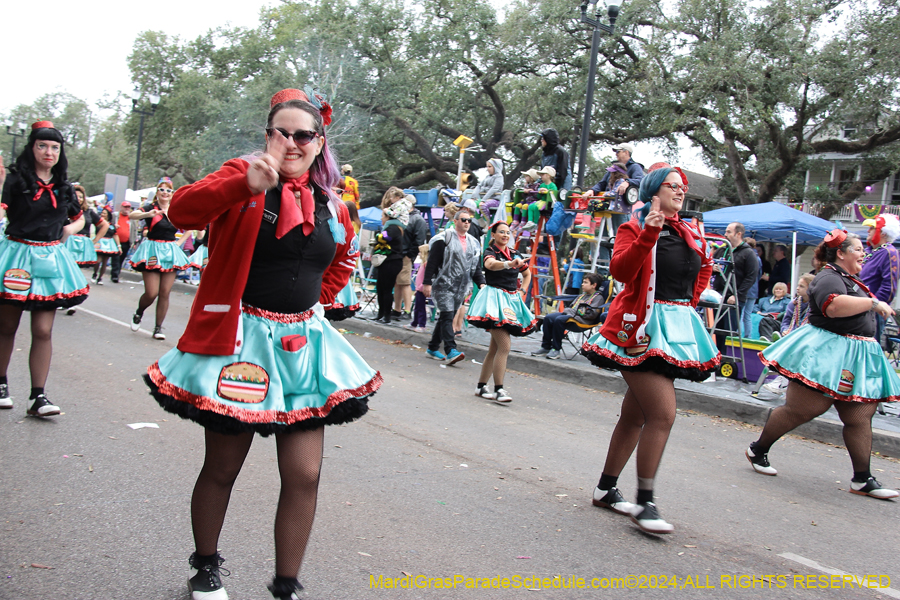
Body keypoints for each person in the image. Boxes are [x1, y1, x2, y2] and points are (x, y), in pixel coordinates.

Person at [144, 87, 381, 600]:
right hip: (240, 344)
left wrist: (308, 305)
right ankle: (205, 568)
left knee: (305, 474)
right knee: (224, 467)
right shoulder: (242, 177)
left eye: (304, 135)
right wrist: (240, 184)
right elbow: (181, 212)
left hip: (302, 345)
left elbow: (340, 261)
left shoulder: (334, 207)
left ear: (320, 142)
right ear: (267, 136)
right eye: (282, 133)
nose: (292, 143)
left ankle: (287, 583)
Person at [581, 167, 718, 534]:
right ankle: (645, 502)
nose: (681, 191)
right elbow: (622, 272)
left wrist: (687, 305)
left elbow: (702, 272)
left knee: (635, 415)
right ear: (655, 191)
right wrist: (650, 232)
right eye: (674, 186)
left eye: (683, 187)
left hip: (675, 329)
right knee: (663, 414)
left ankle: (605, 488)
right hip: (638, 329)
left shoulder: (689, 231)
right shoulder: (634, 227)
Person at [749, 230, 900, 500]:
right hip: (827, 355)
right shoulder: (828, 277)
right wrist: (873, 302)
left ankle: (862, 479)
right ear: (841, 253)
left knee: (859, 416)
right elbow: (833, 307)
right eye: (857, 249)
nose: (863, 253)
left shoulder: (850, 279)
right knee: (802, 410)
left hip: (855, 356)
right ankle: (758, 449)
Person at [0, 121, 88, 416]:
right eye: (42, 146)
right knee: (7, 325)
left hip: (49, 259)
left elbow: (81, 218)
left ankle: (38, 397)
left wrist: (69, 229)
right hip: (17, 257)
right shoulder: (14, 180)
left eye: (54, 147)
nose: (48, 152)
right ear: (32, 147)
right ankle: (1, 384)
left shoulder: (64, 186)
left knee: (43, 330)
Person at [466, 221, 535, 402]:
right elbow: (490, 266)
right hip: (494, 301)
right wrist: (509, 264)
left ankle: (481, 387)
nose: (505, 235)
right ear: (494, 235)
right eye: (501, 232)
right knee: (504, 346)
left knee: (495, 348)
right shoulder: (491, 252)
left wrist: (523, 291)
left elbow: (527, 274)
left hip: (510, 301)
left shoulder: (515, 254)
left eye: (507, 233)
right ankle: (499, 389)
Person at [128, 177, 192, 340]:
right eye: (162, 189)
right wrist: (148, 214)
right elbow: (133, 215)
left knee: (165, 292)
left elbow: (190, 227)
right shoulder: (151, 208)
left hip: (170, 251)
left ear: (172, 194)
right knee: (151, 292)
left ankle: (158, 328)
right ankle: (139, 312)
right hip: (152, 250)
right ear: (157, 192)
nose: (165, 192)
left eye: (169, 190)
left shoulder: (175, 210)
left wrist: (179, 243)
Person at [422, 206, 485, 364]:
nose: (466, 223)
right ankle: (451, 350)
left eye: (469, 220)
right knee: (448, 315)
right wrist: (427, 283)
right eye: (463, 219)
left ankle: (432, 347)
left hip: (460, 287)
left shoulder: (473, 243)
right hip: (443, 284)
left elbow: (475, 266)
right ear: (455, 221)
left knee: (445, 315)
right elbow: (432, 262)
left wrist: (482, 284)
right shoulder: (444, 238)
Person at [760, 273, 814, 395]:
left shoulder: (815, 306)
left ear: (810, 289)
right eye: (798, 285)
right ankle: (773, 340)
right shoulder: (793, 303)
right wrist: (785, 330)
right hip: (792, 333)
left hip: (806, 338)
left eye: (801, 286)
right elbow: (786, 321)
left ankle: (780, 381)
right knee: (768, 324)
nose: (797, 288)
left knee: (792, 349)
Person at [533, 273, 606, 359]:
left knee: (559, 319)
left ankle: (556, 349)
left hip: (581, 320)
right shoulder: (582, 295)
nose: (582, 284)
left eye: (585, 282)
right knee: (548, 318)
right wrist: (571, 311)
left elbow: (592, 315)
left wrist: (575, 312)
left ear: (594, 285)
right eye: (583, 282)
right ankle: (545, 347)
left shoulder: (598, 298)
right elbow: (572, 307)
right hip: (570, 315)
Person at [712, 221, 758, 348]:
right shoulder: (722, 250)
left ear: (738, 234)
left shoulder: (748, 254)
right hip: (717, 295)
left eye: (728, 232)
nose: (725, 234)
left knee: (728, 333)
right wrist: (713, 268)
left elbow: (751, 277)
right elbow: (708, 267)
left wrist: (737, 295)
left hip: (733, 298)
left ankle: (726, 361)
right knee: (715, 330)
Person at [860, 214, 900, 344]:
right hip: (859, 307)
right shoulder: (870, 251)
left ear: (882, 232)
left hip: (873, 311)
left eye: (871, 227)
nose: (868, 231)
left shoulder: (889, 252)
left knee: (869, 350)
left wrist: (875, 305)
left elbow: (889, 287)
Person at [585, 143, 644, 230]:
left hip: (622, 207)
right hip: (608, 206)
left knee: (621, 232)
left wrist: (627, 182)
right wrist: (592, 190)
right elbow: (602, 183)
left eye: (618, 151)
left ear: (626, 152)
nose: (616, 154)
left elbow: (641, 180)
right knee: (605, 235)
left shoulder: (635, 167)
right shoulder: (614, 168)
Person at [393, 195, 428, 319]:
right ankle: (397, 309)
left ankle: (407, 310)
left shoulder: (417, 219)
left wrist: (410, 255)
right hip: (398, 253)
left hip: (406, 254)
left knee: (405, 282)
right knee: (398, 282)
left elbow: (419, 239)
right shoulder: (405, 216)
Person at [372, 202, 406, 324]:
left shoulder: (392, 228)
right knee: (380, 288)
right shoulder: (392, 227)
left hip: (391, 261)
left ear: (388, 217)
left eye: (383, 216)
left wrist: (377, 236)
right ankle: (380, 314)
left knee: (386, 289)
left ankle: (386, 316)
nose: (381, 218)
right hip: (386, 262)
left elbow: (384, 237)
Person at [65, 184, 107, 267]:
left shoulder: (89, 212)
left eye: (81, 197)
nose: (79, 199)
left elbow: (105, 225)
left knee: (78, 270)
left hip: (82, 245)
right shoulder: (64, 210)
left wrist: (94, 241)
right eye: (76, 196)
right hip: (67, 243)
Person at [521, 166, 557, 232]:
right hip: (541, 200)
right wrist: (540, 192)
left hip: (547, 202)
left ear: (548, 176)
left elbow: (553, 195)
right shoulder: (541, 185)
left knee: (537, 207)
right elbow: (538, 196)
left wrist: (547, 191)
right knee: (531, 206)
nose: (541, 176)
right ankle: (530, 221)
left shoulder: (552, 185)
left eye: (543, 175)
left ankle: (535, 222)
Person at [91, 206, 121, 285]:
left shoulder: (112, 225)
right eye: (102, 213)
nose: (102, 214)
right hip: (99, 243)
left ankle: (100, 277)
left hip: (108, 244)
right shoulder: (98, 223)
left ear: (108, 215)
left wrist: (119, 246)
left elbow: (115, 235)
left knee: (105, 262)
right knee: (98, 261)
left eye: (104, 213)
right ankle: (95, 274)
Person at [404, 243, 430, 333]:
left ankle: (421, 324)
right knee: (417, 306)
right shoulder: (423, 264)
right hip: (419, 288)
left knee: (420, 307)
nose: (419, 254)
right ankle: (415, 322)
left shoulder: (426, 264)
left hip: (421, 288)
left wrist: (421, 287)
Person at [110, 200, 135, 282]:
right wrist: (114, 226)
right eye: (125, 207)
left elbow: (134, 230)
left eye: (128, 207)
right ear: (121, 207)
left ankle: (117, 273)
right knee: (116, 258)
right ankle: (115, 275)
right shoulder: (115, 215)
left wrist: (133, 241)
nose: (127, 209)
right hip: (115, 241)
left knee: (122, 258)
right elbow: (109, 224)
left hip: (126, 242)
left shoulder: (132, 218)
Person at [741, 237, 762, 338]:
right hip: (754, 290)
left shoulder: (747, 256)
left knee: (740, 314)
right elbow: (759, 274)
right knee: (747, 315)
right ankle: (748, 336)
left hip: (745, 289)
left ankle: (738, 335)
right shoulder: (758, 259)